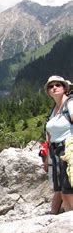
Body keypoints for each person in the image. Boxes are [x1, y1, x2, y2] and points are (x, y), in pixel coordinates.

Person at [44, 75, 73, 213]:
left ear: (64, 88)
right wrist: (46, 158)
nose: (54, 87)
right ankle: (68, 221)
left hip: (68, 149)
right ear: (48, 91)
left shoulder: (70, 104)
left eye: (58, 85)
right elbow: (49, 135)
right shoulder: (54, 110)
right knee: (61, 189)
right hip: (55, 151)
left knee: (69, 188)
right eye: (51, 86)